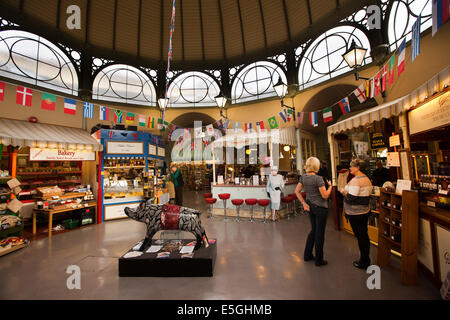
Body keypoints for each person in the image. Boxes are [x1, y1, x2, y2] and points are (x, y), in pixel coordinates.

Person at [295, 157, 332, 267]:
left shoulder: (303, 177)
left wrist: (304, 203)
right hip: (321, 208)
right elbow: (325, 196)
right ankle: (319, 260)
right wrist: (330, 187)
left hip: (310, 207)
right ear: (317, 166)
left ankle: (307, 255)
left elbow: (297, 191)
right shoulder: (318, 179)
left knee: (313, 231)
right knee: (319, 234)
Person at [341, 159, 373, 270]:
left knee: (361, 237)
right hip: (364, 211)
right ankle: (366, 258)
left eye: (351, 166)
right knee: (364, 235)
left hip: (356, 214)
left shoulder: (356, 181)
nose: (350, 168)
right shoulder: (366, 179)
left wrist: (344, 191)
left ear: (358, 167)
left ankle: (364, 261)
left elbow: (351, 198)